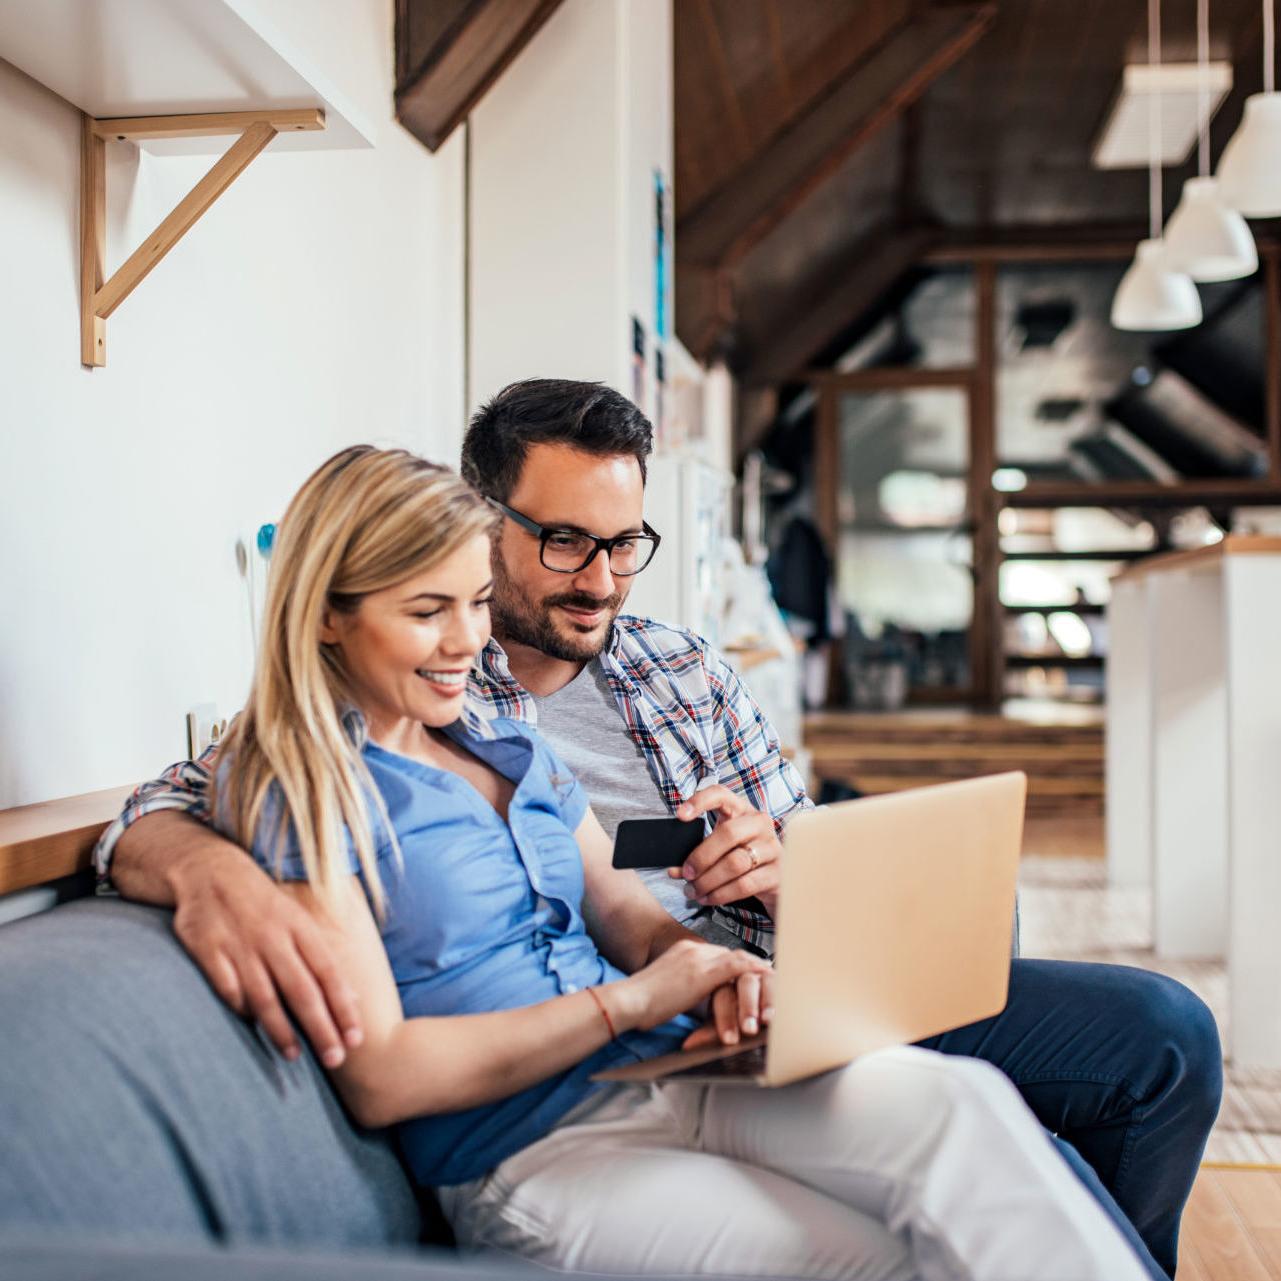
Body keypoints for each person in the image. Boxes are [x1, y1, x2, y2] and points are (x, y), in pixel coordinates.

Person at [95, 382, 1220, 1280]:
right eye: (566, 545)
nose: (602, 580)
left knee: (1115, 1054)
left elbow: (664, 896)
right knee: (914, 1236)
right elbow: (171, 804)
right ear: (488, 533)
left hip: (747, 1013)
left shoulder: (648, 677)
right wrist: (193, 865)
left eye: (626, 545)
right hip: (573, 1107)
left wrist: (781, 882)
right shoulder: (383, 727)